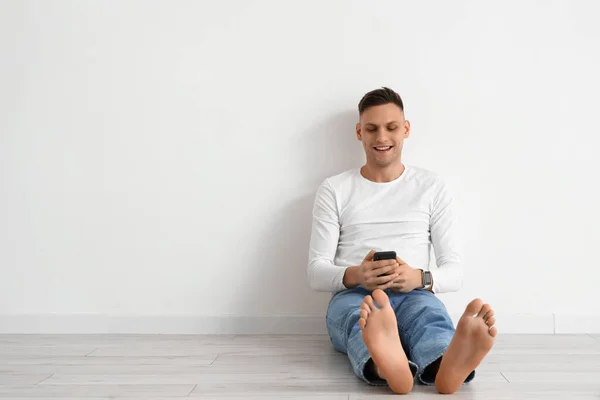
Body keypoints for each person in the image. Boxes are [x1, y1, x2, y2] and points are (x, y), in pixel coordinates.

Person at [307, 87, 498, 395]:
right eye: (372, 128)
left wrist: (419, 277)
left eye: (391, 127)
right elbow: (316, 272)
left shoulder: (432, 187)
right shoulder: (334, 189)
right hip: (355, 294)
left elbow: (455, 271)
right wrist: (357, 274)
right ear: (359, 132)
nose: (382, 137)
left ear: (406, 129)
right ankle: (387, 361)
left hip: (414, 293)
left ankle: (444, 364)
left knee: (429, 319)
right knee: (359, 321)